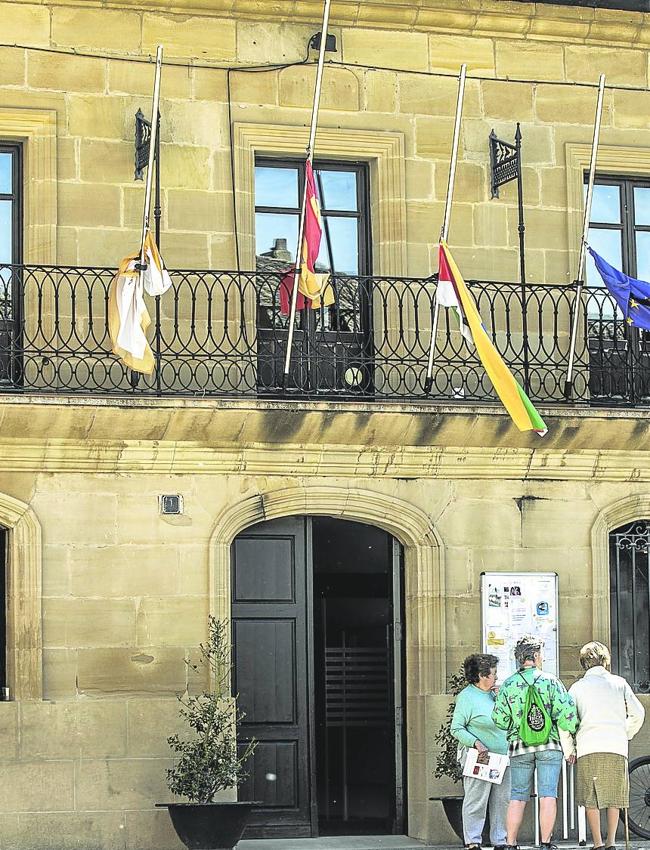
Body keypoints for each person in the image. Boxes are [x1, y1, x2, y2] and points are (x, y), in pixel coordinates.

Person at [492, 635, 578, 850]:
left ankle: (510, 843)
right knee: (548, 794)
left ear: (518, 658)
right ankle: (546, 843)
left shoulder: (509, 684)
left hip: (519, 747)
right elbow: (568, 715)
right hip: (549, 746)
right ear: (537, 656)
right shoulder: (551, 681)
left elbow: (500, 720)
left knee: (518, 796)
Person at [560, 641, 645, 850]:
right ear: (606, 660)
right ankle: (611, 842)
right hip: (615, 746)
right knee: (614, 796)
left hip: (588, 746)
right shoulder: (619, 683)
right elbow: (638, 713)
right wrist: (626, 732)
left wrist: (569, 749)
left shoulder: (577, 688)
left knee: (591, 797)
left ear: (583, 663)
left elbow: (565, 721)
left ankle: (597, 843)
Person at [450, 653, 510, 850]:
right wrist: (476, 742)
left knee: (502, 801)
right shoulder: (467, 697)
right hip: (480, 757)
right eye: (493, 673)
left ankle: (500, 840)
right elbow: (456, 728)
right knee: (476, 800)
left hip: (502, 756)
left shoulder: (496, 694)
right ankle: (473, 841)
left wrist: (502, 698)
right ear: (482, 676)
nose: (496, 677)